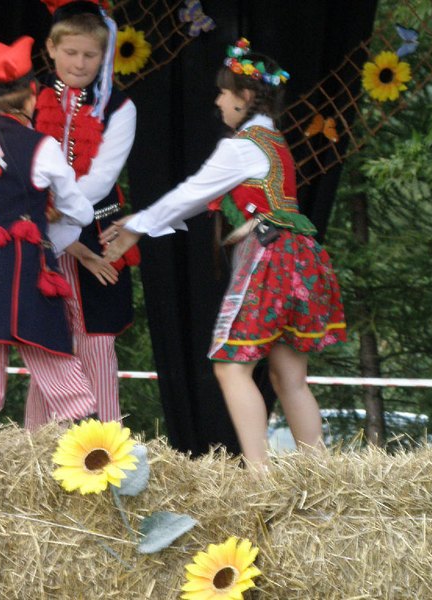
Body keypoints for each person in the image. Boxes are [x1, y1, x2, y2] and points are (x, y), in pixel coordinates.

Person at [102, 38, 346, 467]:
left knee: (230, 367)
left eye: (223, 92)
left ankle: (259, 476)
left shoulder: (243, 146)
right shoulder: (275, 142)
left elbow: (192, 193)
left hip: (269, 257)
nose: (218, 101)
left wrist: (138, 225)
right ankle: (319, 473)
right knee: (289, 377)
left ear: (245, 96)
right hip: (299, 257)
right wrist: (142, 222)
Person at [0, 36, 98, 465]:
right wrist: (47, 238)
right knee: (63, 382)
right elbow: (80, 211)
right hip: (27, 274)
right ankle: (104, 480)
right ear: (31, 95)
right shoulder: (40, 147)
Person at [22, 0, 138, 430]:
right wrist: (46, 220)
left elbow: (102, 178)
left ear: (104, 55)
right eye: (70, 52)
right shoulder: (30, 98)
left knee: (97, 343)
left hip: (98, 232)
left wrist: (58, 215)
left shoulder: (119, 107)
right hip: (37, 233)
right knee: (47, 345)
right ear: (51, 48)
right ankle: (35, 448)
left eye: (90, 55)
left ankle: (105, 447)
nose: (80, 63)